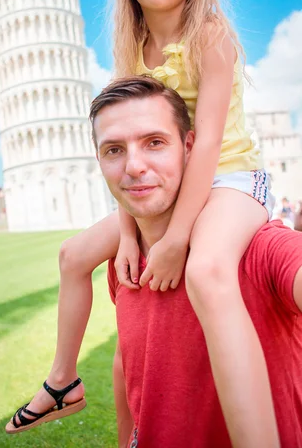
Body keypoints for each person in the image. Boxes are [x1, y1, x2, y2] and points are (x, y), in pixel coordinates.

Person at [6, 0, 278, 447]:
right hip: (170, 189)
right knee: (74, 255)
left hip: (230, 179)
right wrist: (128, 233)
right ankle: (62, 382)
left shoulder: (211, 35)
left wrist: (176, 238)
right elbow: (128, 154)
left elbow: (204, 149)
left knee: (206, 272)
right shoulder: (131, 49)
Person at [89, 76, 302, 448]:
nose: (134, 166)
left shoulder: (257, 249)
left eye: (155, 143)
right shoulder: (123, 265)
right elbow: (131, 363)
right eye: (114, 150)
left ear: (190, 147)